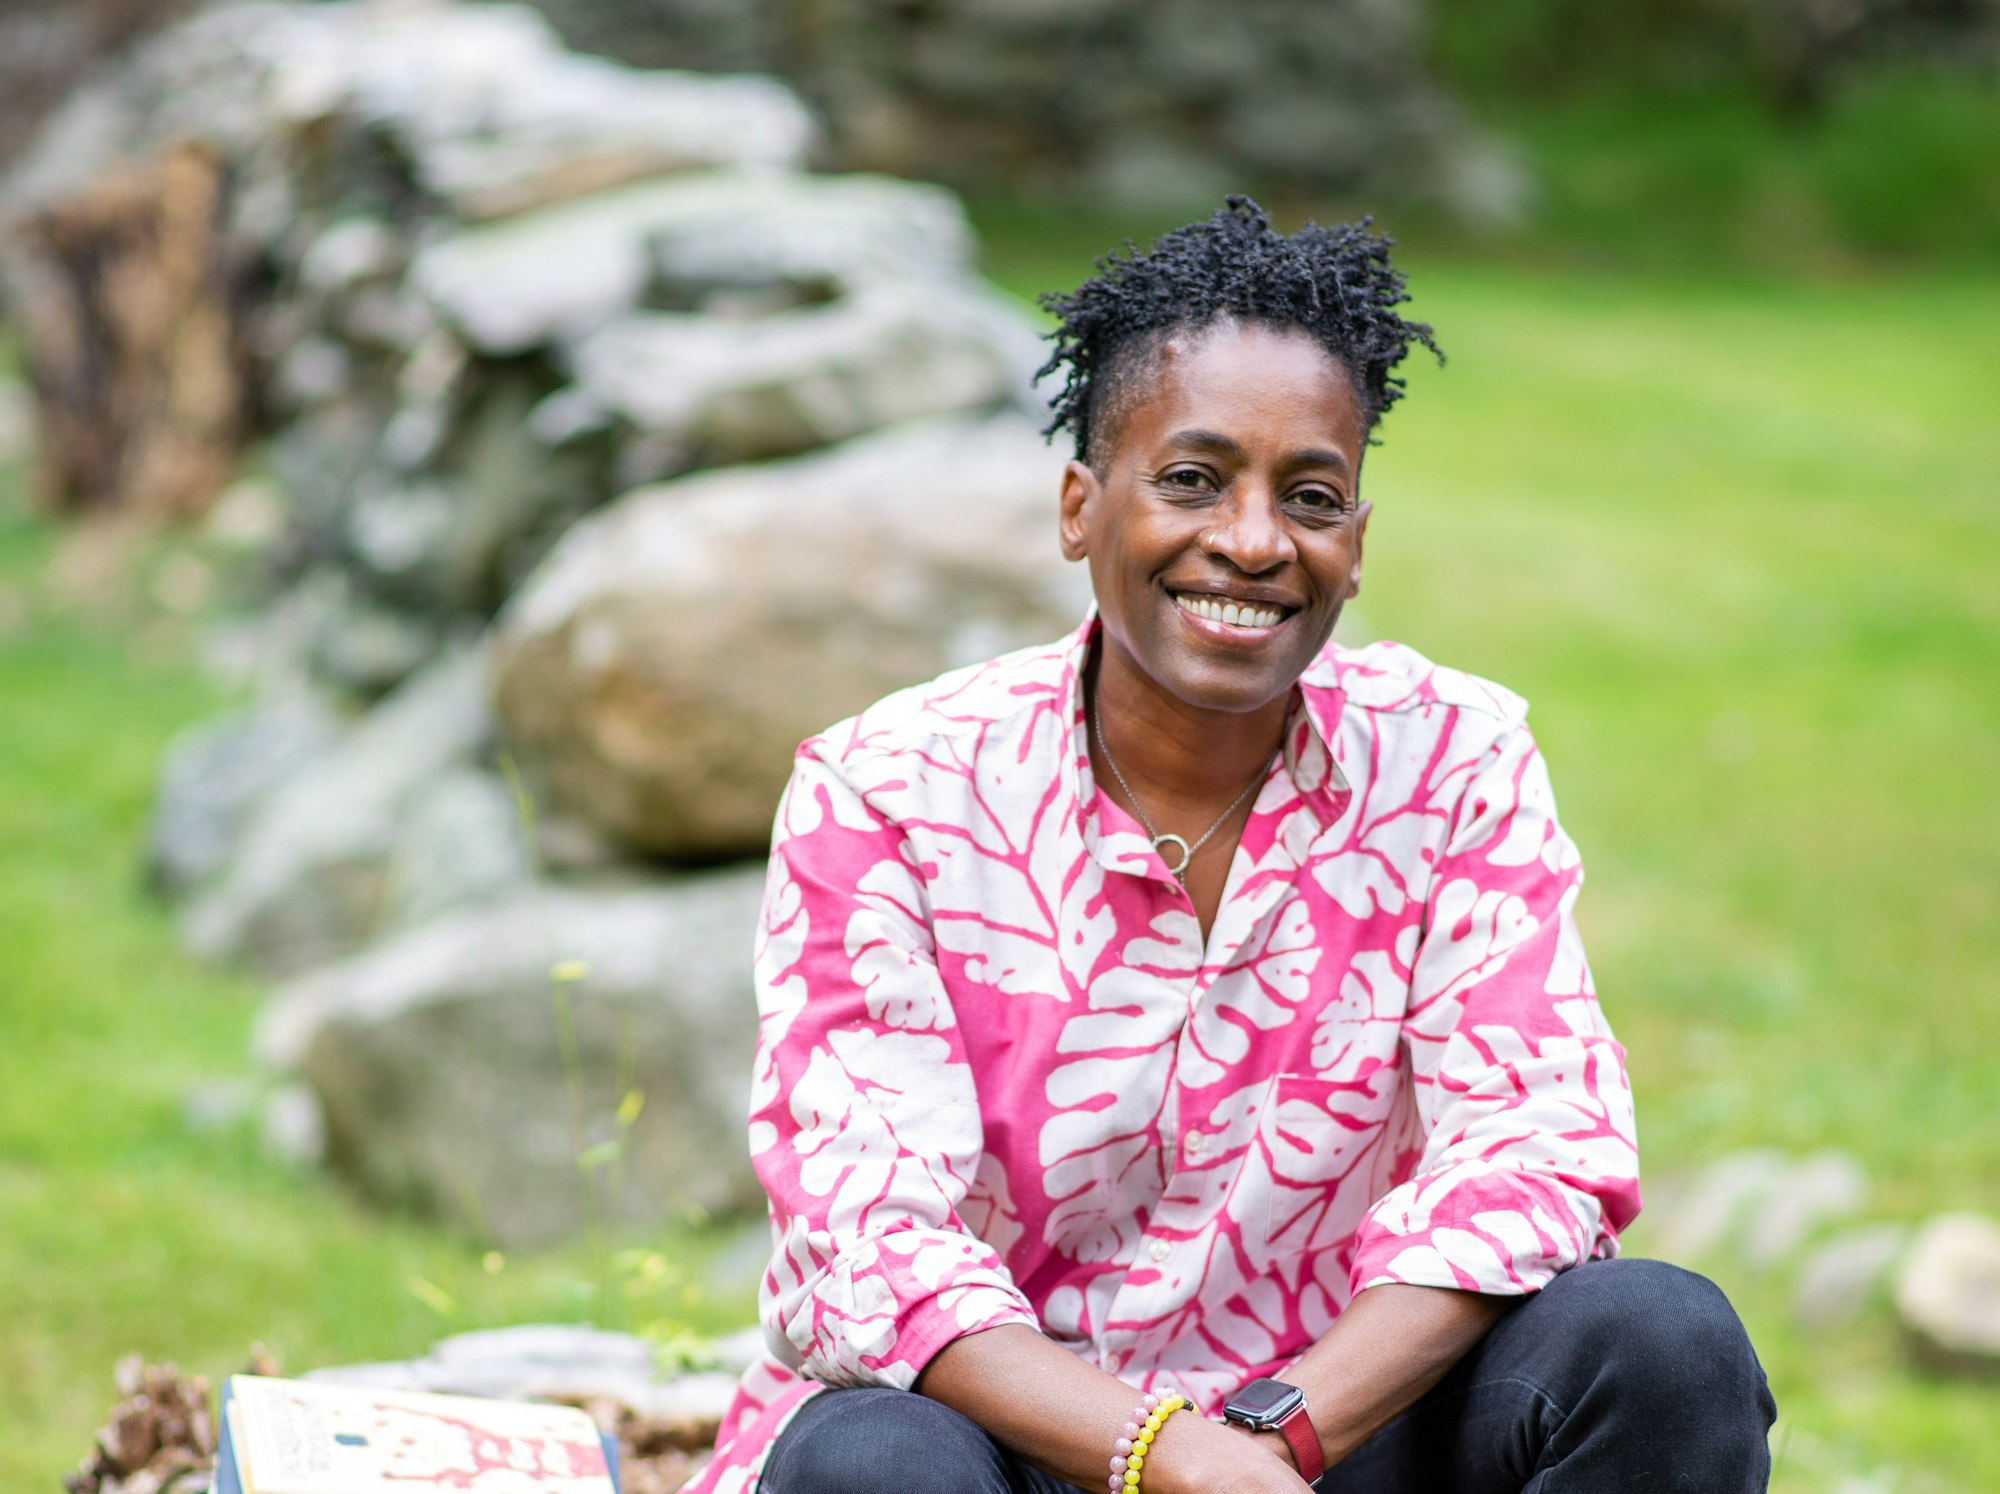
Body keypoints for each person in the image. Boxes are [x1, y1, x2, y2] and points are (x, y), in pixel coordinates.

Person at [684, 199, 1776, 1494]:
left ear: (1355, 545)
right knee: (869, 1462)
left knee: (1664, 1344)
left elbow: (1535, 1151)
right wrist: (1161, 1451)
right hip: (1015, 1448)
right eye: (1194, 478)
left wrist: (1272, 1437)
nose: (1254, 541)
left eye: (1308, 494)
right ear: (1081, 507)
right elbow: (873, 1241)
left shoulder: (1453, 757)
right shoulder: (891, 790)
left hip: (1334, 1433)